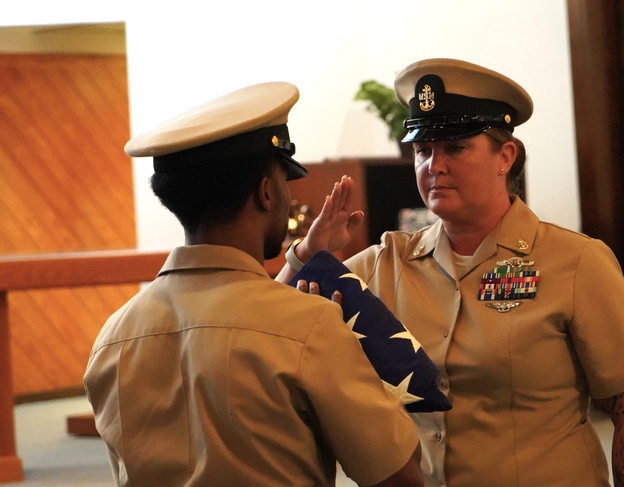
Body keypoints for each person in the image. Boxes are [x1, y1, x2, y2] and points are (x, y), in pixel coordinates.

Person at [278, 58, 624, 486]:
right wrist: (309, 251)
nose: (433, 166)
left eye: (455, 148)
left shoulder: (576, 262)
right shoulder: (387, 262)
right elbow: (270, 316)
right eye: (423, 151)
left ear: (506, 157)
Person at [83, 82, 423, 487]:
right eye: (283, 180)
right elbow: (397, 475)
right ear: (265, 192)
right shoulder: (308, 325)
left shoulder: (114, 337)